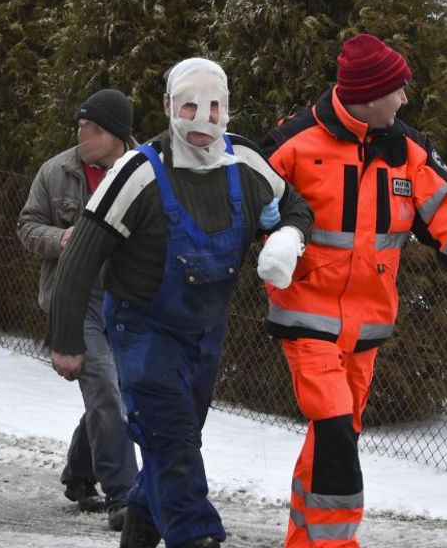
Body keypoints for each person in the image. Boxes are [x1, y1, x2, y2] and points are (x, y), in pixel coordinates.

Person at [49, 59, 312, 548]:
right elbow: (80, 256)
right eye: (190, 104)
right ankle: (198, 537)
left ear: (227, 111)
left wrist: (287, 235)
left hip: (205, 336)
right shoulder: (136, 172)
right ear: (169, 107)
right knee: (174, 446)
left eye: (214, 107)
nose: (202, 118)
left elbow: (296, 206)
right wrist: (66, 340)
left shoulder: (247, 164)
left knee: (170, 447)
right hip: (142, 333)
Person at [258, 33, 447, 547]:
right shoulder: (295, 140)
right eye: (398, 90)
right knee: (338, 435)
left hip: (366, 327)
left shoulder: (407, 149)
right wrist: (261, 214)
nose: (405, 99)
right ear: (368, 94)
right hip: (306, 317)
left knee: (333, 438)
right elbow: (246, 188)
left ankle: (304, 541)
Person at [17, 89, 141, 531]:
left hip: (129, 297)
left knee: (120, 392)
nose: (80, 134)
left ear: (115, 135)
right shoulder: (57, 171)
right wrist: (62, 239)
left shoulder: (144, 171)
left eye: (91, 128)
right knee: (106, 387)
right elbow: (26, 227)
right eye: (79, 126)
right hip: (76, 297)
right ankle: (124, 495)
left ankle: (79, 473)